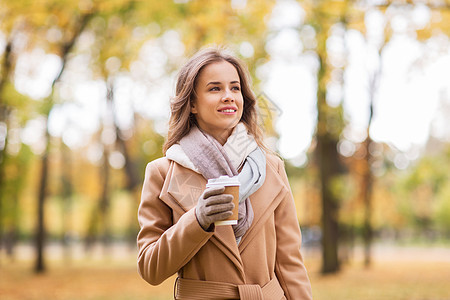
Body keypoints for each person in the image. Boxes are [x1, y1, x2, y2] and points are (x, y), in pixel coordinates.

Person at [137, 46, 312, 300]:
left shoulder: (271, 167)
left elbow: (290, 263)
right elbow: (150, 268)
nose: (229, 96)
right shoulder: (162, 172)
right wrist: (197, 220)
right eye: (215, 88)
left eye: (235, 88)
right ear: (193, 104)